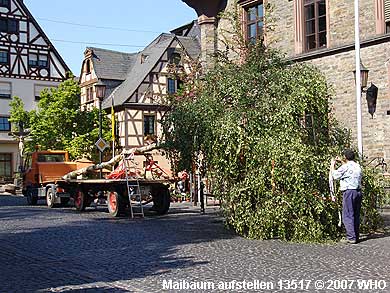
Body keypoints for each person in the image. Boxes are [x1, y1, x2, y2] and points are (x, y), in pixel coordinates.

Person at [330, 149, 362, 244]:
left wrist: (332, 165)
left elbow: (335, 175)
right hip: (358, 192)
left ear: (345, 157)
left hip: (349, 192)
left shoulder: (345, 167)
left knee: (348, 215)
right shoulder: (357, 166)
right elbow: (349, 169)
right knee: (356, 214)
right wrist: (342, 161)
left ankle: (351, 237)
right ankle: (356, 236)